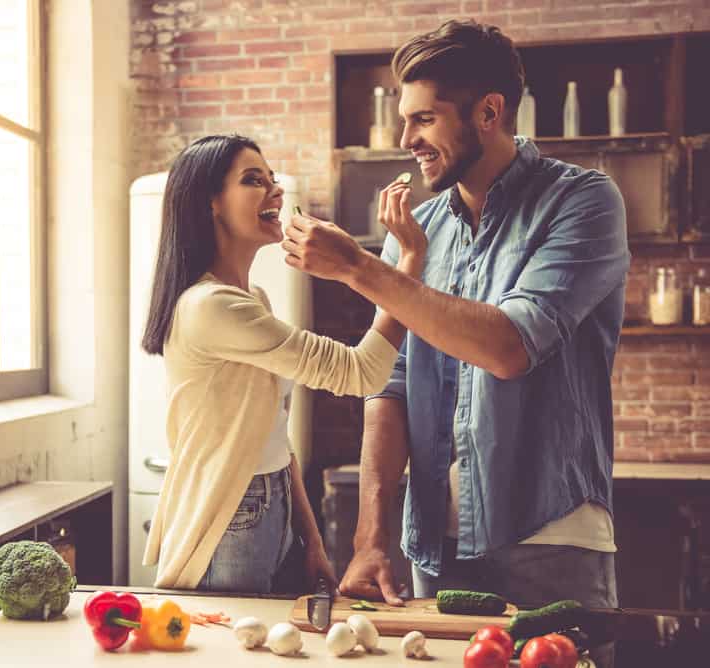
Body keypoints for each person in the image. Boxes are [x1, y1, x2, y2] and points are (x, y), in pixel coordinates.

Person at [282, 20, 629, 610]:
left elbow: (509, 347)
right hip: (435, 547)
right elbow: (387, 390)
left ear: (489, 112)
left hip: (551, 534)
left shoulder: (583, 202)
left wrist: (359, 269)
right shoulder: (414, 236)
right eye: (404, 119)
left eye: (424, 119)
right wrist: (371, 538)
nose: (406, 138)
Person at [140, 134, 428, 593]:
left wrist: (308, 538)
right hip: (230, 515)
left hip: (269, 503)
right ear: (210, 202)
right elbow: (362, 373)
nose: (274, 190)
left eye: (272, 179)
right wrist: (407, 263)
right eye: (254, 180)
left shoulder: (250, 300)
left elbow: (272, 434)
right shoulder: (212, 307)